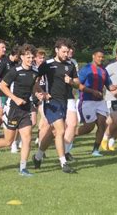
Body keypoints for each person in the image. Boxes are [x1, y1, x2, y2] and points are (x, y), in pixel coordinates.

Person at [0, 44, 40, 177]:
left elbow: (35, 86)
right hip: (13, 108)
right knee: (8, 141)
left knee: (27, 138)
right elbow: (2, 86)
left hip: (26, 109)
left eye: (32, 57)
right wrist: (15, 98)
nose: (30, 59)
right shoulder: (15, 71)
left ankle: (23, 168)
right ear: (22, 57)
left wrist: (40, 93)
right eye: (28, 57)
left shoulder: (35, 72)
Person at [33, 38, 79, 174]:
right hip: (50, 102)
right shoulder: (47, 64)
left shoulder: (70, 65)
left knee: (52, 133)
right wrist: (40, 92)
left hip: (64, 102)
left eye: (67, 52)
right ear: (56, 50)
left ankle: (38, 156)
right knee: (60, 131)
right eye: (63, 51)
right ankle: (63, 162)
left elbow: (77, 82)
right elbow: (34, 81)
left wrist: (71, 81)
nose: (66, 54)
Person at [74, 48, 117, 157]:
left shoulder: (103, 70)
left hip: (99, 101)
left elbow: (108, 85)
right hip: (86, 101)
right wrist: (92, 91)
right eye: (99, 56)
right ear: (93, 56)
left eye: (102, 57)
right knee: (88, 127)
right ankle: (69, 135)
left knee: (102, 124)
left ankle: (95, 150)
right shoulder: (86, 69)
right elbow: (77, 85)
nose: (101, 59)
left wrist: (115, 87)